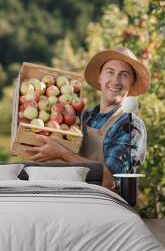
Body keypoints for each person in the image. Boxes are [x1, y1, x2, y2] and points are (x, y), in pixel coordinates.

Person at [24, 46, 149, 190]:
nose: (115, 80)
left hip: (104, 208)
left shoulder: (130, 126)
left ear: (132, 83)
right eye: (110, 72)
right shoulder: (82, 118)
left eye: (124, 74)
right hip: (73, 202)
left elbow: (109, 180)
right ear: (100, 77)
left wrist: (62, 153)